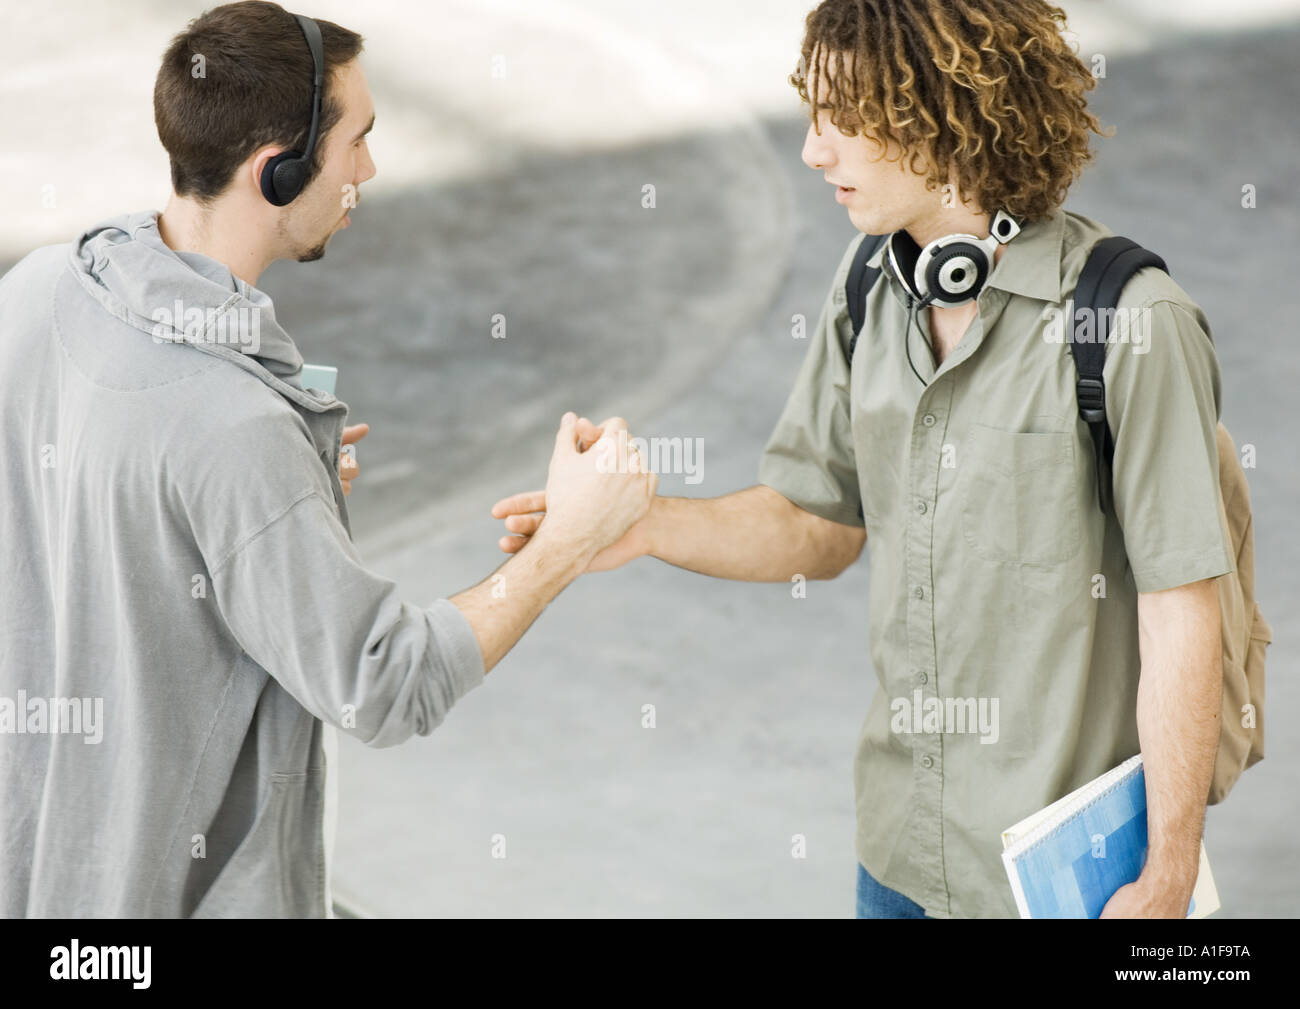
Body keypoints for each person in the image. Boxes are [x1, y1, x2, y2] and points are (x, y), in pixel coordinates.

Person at [492, 0, 1233, 918]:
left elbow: (1181, 606)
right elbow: (816, 524)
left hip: (1060, 885)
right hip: (899, 857)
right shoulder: (869, 290)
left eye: (843, 117)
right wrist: (643, 524)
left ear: (939, 116)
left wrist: (1166, 875)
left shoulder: (1131, 323)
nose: (813, 150)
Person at [0, 0, 655, 918]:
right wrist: (568, 545)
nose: (370, 171)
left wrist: (263, 512)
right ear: (281, 172)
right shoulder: (232, 425)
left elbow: (91, 504)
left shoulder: (34, 290)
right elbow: (386, 681)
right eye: (358, 143)